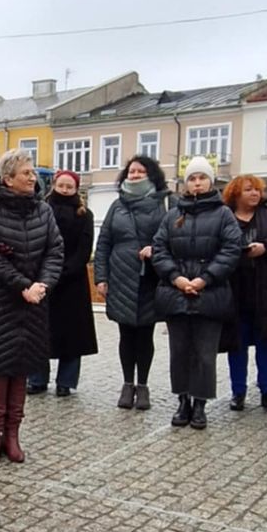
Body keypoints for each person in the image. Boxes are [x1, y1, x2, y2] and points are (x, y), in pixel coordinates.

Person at [0, 151, 63, 466]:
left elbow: (54, 250)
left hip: (32, 303)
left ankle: (13, 435)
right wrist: (22, 284)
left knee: (20, 371)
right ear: (8, 178)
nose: (32, 177)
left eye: (33, 171)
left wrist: (42, 285)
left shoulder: (43, 210)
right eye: (25, 172)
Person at [150, 157, 242, 430]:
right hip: (176, 293)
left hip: (209, 294)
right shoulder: (172, 215)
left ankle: (200, 403)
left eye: (202, 177)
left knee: (204, 353)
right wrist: (176, 278)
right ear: (186, 183)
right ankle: (182, 401)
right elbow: (159, 248)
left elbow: (231, 250)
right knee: (179, 352)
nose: (197, 183)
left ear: (211, 182)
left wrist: (204, 279)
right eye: (192, 178)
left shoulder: (224, 215)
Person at [93, 154, 170, 410]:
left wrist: (155, 250)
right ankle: (128, 384)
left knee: (145, 334)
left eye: (140, 171)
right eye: (131, 172)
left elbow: (171, 239)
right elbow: (103, 242)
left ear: (151, 175)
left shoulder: (164, 204)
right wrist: (101, 277)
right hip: (121, 277)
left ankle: (144, 385)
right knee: (125, 334)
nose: (134, 175)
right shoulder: (117, 205)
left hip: (149, 277)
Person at [222, 173, 267, 413]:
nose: (254, 194)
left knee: (266, 345)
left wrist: (266, 248)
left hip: (266, 291)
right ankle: (238, 392)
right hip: (236, 290)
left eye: (257, 190)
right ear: (236, 193)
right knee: (236, 345)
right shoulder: (225, 217)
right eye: (248, 189)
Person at [30, 170, 97, 396]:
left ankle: (66, 382)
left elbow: (84, 250)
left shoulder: (84, 214)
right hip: (43, 278)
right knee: (40, 331)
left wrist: (64, 271)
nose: (65, 190)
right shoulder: (41, 209)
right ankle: (37, 378)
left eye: (70, 187)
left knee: (72, 334)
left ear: (76, 189)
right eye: (62, 186)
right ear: (54, 186)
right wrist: (46, 273)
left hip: (72, 282)